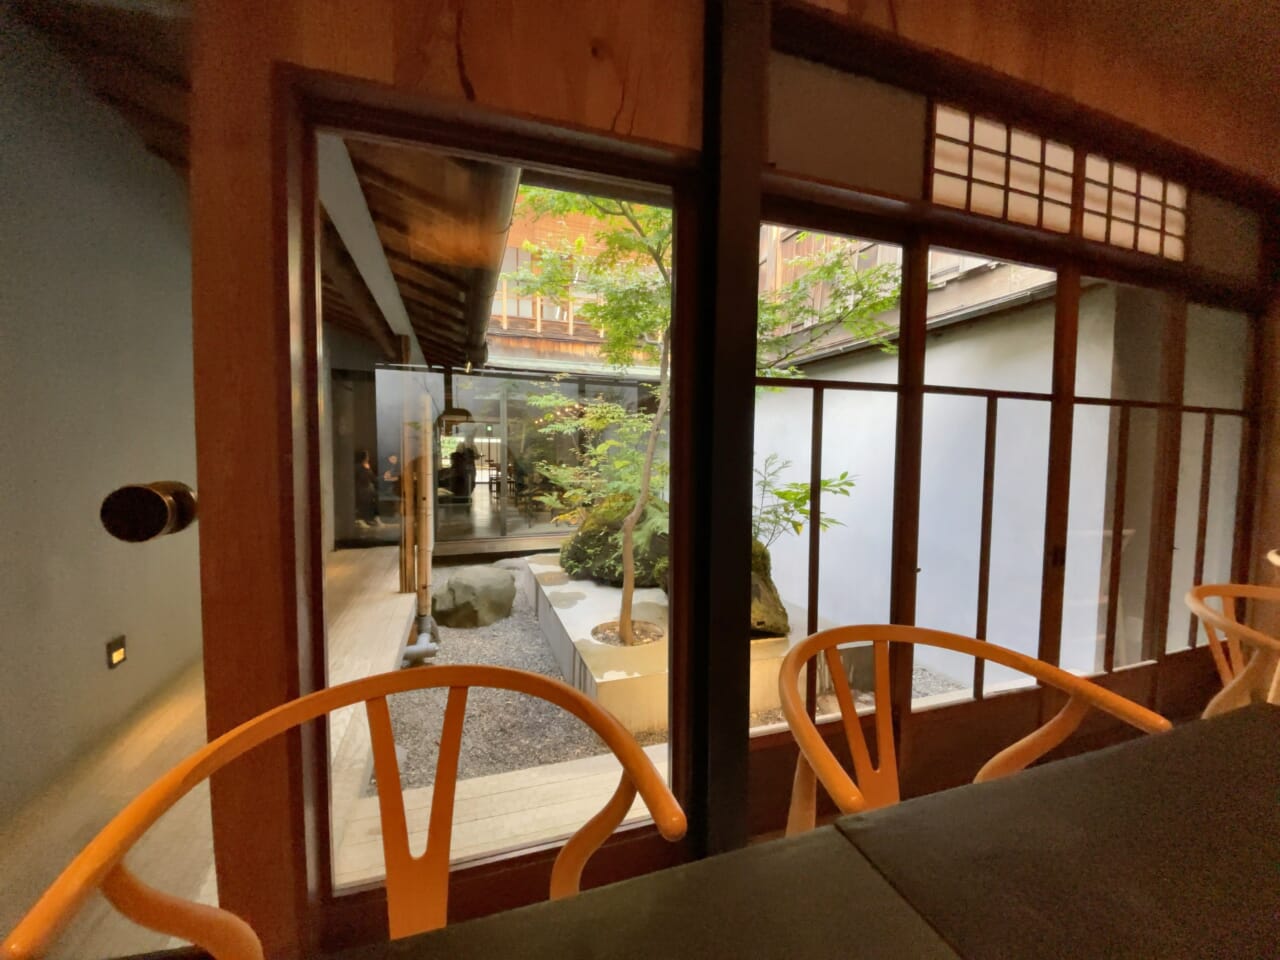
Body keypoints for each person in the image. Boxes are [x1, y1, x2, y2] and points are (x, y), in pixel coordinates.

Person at [354, 449, 378, 527]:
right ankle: (362, 519)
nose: (368, 457)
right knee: (364, 504)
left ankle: (369, 519)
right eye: (367, 456)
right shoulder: (358, 467)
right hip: (362, 488)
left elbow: (372, 477)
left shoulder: (367, 466)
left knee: (370, 503)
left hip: (368, 487)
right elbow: (361, 477)